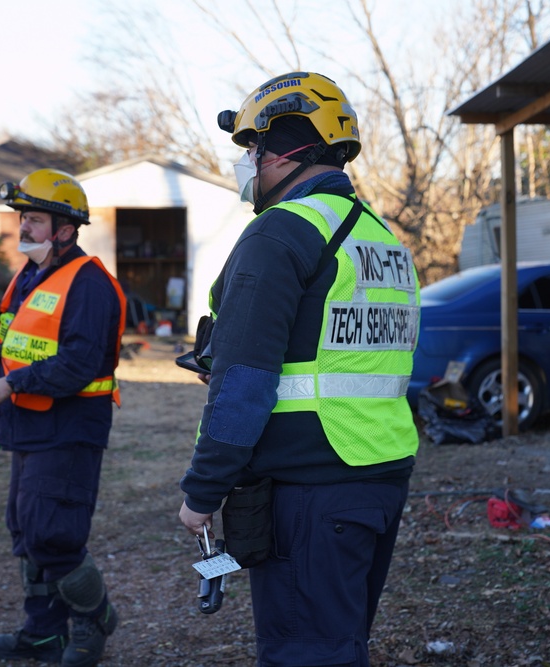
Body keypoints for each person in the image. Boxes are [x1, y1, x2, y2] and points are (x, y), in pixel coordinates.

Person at [178, 72, 421, 666]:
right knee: (339, 646)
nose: (249, 164)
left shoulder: (280, 233)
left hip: (311, 491)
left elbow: (245, 382)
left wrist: (203, 489)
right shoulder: (380, 237)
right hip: (376, 475)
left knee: (306, 656)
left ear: (287, 150)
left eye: (253, 148)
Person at [0, 168, 126, 667]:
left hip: (70, 427)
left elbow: (78, 364)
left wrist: (10, 387)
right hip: (26, 424)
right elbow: (10, 347)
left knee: (53, 534)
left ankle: (94, 618)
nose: (24, 228)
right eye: (22, 218)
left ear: (65, 229)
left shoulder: (89, 284)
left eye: (35, 219)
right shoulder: (29, 277)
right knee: (24, 528)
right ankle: (43, 632)